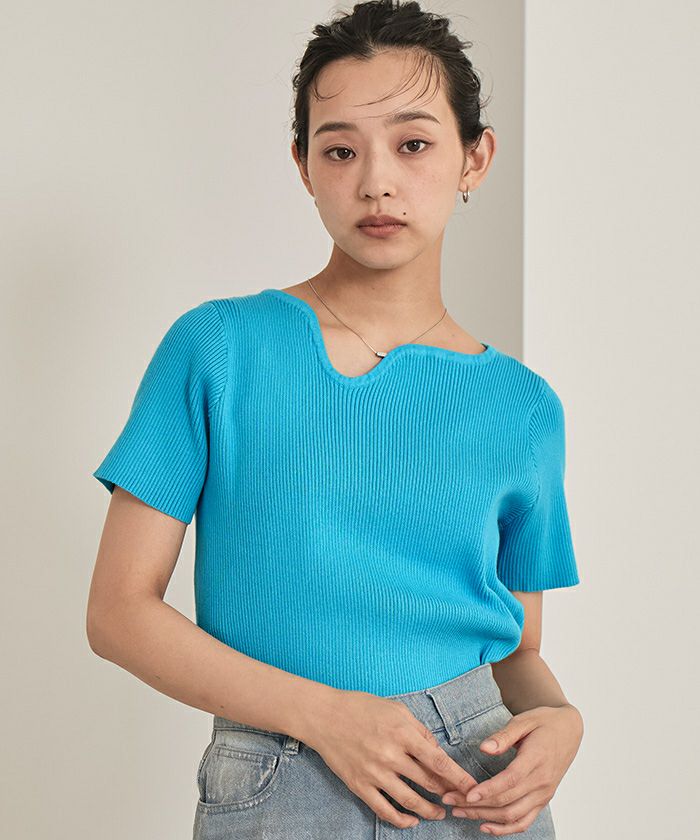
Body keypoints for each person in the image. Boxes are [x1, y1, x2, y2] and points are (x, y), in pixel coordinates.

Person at [86, 1, 584, 837]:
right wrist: (322, 715)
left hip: (474, 784)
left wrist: (561, 721)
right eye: (341, 150)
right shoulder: (220, 348)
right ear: (304, 165)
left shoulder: (523, 407)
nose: (376, 181)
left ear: (476, 156)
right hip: (281, 776)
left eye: (414, 144)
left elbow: (519, 650)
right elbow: (118, 613)